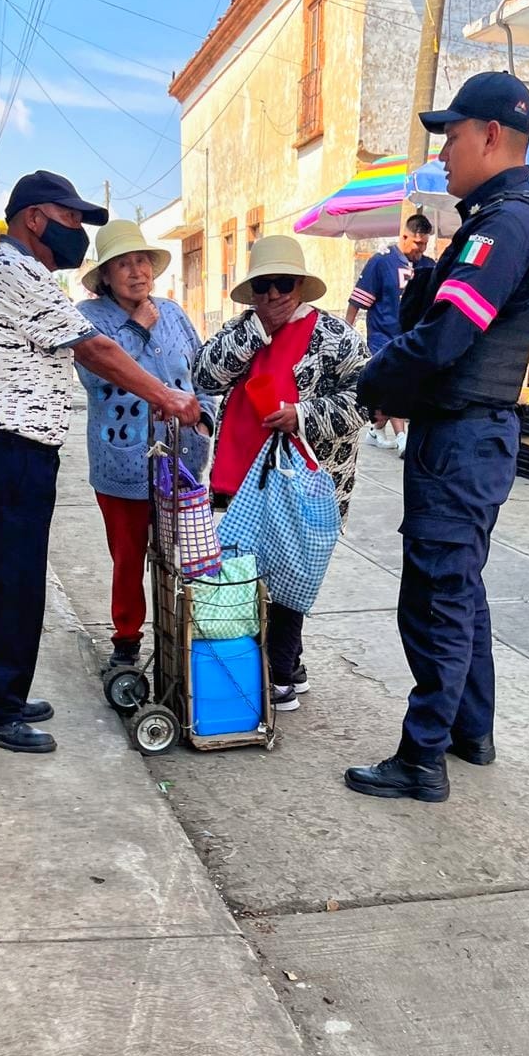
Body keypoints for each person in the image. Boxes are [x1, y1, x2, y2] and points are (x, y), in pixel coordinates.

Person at [344, 71, 529, 803]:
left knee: (436, 597)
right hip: (469, 434)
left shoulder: (504, 227)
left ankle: (422, 756)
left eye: (453, 136)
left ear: (491, 136)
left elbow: (442, 341)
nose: (442, 154)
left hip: (462, 438)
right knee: (459, 588)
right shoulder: (501, 219)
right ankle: (470, 729)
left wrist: (372, 383)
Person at [0, 171, 200, 754]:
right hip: (5, 449)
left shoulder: (19, 271)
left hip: (12, 451)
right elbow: (96, 348)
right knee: (10, 583)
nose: (78, 234)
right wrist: (166, 397)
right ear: (35, 218)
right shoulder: (15, 272)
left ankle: (2, 693)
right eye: (70, 220)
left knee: (12, 580)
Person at [194, 235, 368, 712]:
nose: (273, 296)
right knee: (245, 571)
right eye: (263, 286)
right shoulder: (242, 330)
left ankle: (279, 672)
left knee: (289, 572)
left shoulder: (336, 337)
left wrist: (303, 415)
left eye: (283, 284)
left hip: (302, 481)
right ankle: (282, 660)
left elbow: (368, 398)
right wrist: (254, 332)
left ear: (302, 286)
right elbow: (204, 377)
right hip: (239, 469)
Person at [76, 220, 216, 670]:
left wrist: (207, 416)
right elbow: (96, 375)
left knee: (187, 553)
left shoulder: (173, 313)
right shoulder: (90, 317)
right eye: (123, 264)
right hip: (122, 462)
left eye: (141, 261)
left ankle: (186, 636)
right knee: (129, 556)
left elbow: (203, 374)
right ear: (106, 275)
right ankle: (126, 641)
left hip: (182, 458)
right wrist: (135, 327)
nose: (136, 272)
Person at [346, 213, 435, 457]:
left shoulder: (428, 267)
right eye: (417, 244)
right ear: (404, 236)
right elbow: (358, 301)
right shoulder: (381, 262)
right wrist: (346, 332)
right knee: (397, 384)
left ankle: (375, 430)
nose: (421, 249)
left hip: (414, 340)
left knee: (395, 390)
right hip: (383, 339)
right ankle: (402, 437)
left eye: (425, 244)